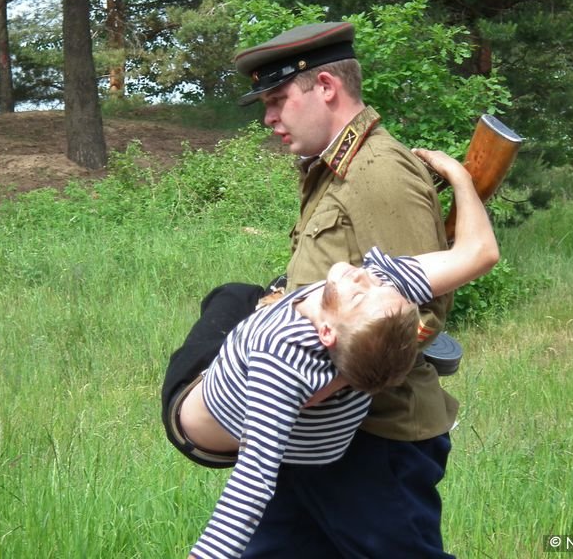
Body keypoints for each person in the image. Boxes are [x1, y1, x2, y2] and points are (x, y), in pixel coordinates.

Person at [172, 150, 498, 559]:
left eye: (358, 294)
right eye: (376, 286)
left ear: (325, 332)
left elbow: (251, 484)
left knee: (229, 297)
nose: (364, 274)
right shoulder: (383, 298)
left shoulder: (282, 357)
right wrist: (461, 177)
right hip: (321, 443)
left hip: (211, 421)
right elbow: (480, 253)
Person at [232, 21, 464, 558]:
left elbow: (418, 317)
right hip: (319, 435)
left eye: (277, 99)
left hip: (375, 438)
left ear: (327, 89)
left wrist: (319, 388)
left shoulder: (378, 172)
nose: (269, 118)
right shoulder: (333, 168)